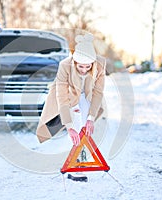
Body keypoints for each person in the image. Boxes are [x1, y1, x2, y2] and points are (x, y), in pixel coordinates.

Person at [36, 33, 107, 181]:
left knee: (86, 127)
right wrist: (69, 126)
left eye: (88, 66)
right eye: (80, 66)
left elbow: (98, 92)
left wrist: (91, 118)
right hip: (67, 95)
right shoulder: (65, 65)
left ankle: (80, 160)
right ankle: (76, 167)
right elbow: (62, 96)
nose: (83, 69)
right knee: (75, 124)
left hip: (86, 95)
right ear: (75, 62)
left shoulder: (100, 64)